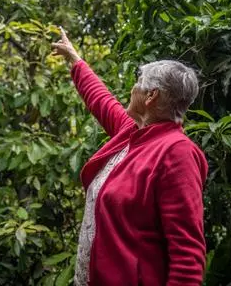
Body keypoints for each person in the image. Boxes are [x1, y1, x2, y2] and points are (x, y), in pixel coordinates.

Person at [52, 28, 208, 286]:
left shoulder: (176, 152)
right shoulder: (135, 134)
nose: (132, 89)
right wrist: (75, 60)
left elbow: (187, 254)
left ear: (151, 96)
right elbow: (103, 101)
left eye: (138, 83)